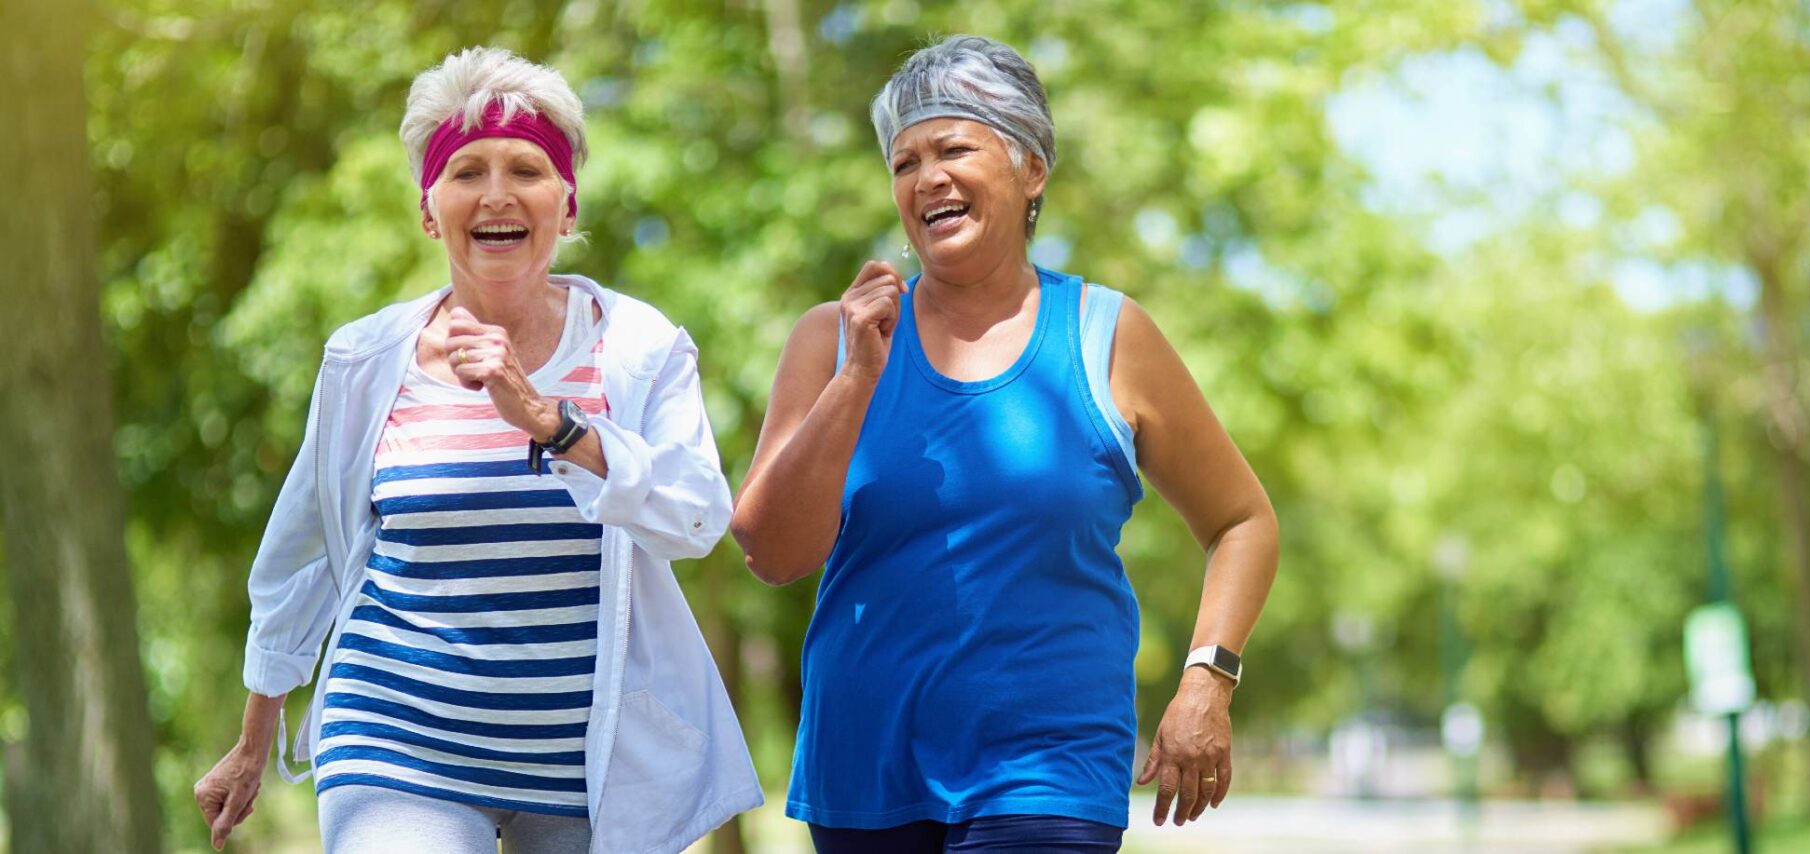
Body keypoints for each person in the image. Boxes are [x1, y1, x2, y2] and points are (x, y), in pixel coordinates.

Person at [191, 46, 760, 854]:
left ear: (567, 206)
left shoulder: (639, 348)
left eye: (527, 169)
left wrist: (553, 423)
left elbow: (698, 518)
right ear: (430, 210)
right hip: (396, 741)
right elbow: (300, 558)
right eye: (466, 172)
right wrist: (255, 743)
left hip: (582, 763)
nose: (497, 194)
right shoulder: (364, 360)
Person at [731, 34, 1280, 853]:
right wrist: (857, 382)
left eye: (954, 147)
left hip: (1048, 772)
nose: (927, 178)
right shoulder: (835, 340)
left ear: (1031, 170)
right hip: (864, 772)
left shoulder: (1107, 335)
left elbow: (1243, 520)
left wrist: (1208, 677)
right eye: (905, 162)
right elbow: (772, 552)